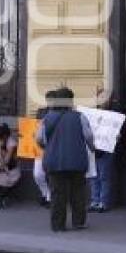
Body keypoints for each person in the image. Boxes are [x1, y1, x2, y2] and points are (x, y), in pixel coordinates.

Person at [37, 87, 95, 232]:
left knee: (57, 194)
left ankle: (58, 225)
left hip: (54, 162)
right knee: (78, 193)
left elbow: (40, 139)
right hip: (77, 161)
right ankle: (78, 222)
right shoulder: (79, 117)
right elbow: (88, 136)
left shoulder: (47, 118)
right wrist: (93, 148)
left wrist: (49, 147)